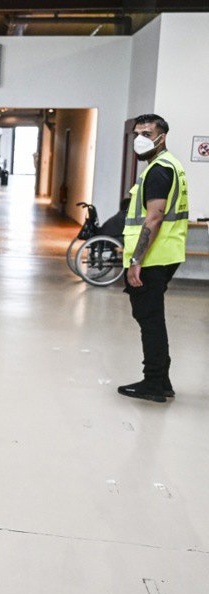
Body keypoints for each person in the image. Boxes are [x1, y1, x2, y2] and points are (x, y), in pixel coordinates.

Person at [118, 113, 190, 403]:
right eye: (137, 133)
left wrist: (137, 261)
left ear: (162, 136)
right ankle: (162, 380)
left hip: (153, 258)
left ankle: (154, 383)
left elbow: (154, 217)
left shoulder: (159, 170)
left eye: (147, 133)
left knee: (150, 319)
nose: (140, 139)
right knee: (151, 317)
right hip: (165, 254)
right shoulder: (169, 166)